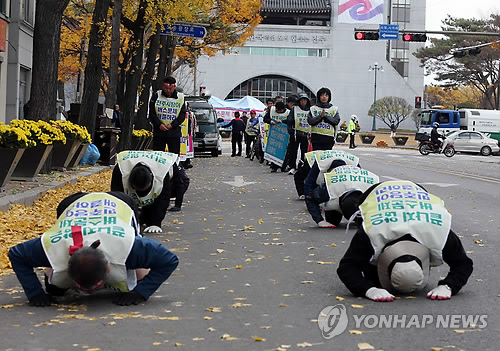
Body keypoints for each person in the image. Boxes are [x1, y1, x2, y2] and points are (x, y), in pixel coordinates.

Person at [8, 191, 179, 306]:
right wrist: (35, 293)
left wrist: (142, 292)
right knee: (53, 287)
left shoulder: (131, 247)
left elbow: (169, 260)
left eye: (96, 286)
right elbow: (16, 254)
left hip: (119, 202)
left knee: (141, 275)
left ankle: (136, 276)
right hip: (72, 203)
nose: (89, 294)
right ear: (68, 265)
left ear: (107, 267)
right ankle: (54, 271)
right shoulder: (53, 246)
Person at [337, 180, 473, 302]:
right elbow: (347, 267)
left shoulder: (439, 234)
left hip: (416, 192)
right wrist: (369, 289)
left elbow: (464, 264)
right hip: (376, 193)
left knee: (407, 277)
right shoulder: (371, 233)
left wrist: (448, 286)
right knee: (372, 277)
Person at [110, 150, 183, 232]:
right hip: (129, 165)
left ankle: (147, 218)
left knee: (156, 205)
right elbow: (117, 196)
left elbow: (164, 198)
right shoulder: (121, 170)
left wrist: (156, 223)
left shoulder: (162, 173)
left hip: (165, 168)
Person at [304, 150, 361, 227]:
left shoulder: (355, 166)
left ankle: (357, 214)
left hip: (354, 194)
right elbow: (309, 185)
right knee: (332, 220)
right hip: (334, 190)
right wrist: (319, 220)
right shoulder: (321, 163)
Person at [149, 76, 187, 154]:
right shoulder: (157, 96)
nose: (168, 91)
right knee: (158, 155)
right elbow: (152, 113)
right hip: (159, 132)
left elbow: (182, 115)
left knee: (174, 156)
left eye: (170, 88)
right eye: (166, 88)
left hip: (174, 132)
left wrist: (172, 125)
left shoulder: (180, 97)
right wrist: (159, 124)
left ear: (174, 87)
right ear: (163, 87)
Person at [286, 93, 311, 175]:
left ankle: (302, 166)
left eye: (305, 100)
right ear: (299, 101)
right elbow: (290, 120)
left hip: (306, 134)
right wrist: (290, 131)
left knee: (305, 151)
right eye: (302, 100)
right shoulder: (295, 109)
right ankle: (292, 166)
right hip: (296, 133)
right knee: (293, 151)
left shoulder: (310, 110)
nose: (303, 102)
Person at [263, 101, 290, 172]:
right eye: (277, 110)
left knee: (284, 151)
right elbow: (265, 119)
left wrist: (282, 121)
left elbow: (291, 121)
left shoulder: (288, 112)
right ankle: (274, 166)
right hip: (274, 134)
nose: (278, 111)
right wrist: (270, 121)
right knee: (274, 150)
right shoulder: (271, 111)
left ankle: (283, 167)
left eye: (280, 110)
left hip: (284, 135)